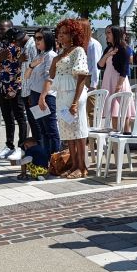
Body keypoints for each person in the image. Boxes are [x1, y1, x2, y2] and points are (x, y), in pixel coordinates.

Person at [49, 20, 91, 178]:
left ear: (73, 34)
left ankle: (82, 166)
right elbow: (52, 75)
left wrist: (75, 102)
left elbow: (81, 77)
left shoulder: (78, 50)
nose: (60, 35)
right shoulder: (61, 54)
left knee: (78, 130)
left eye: (64, 32)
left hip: (74, 93)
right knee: (67, 132)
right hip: (61, 94)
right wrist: (55, 59)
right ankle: (73, 164)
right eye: (59, 33)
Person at [0, 28, 29, 161]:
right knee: (7, 118)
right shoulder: (2, 48)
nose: (2, 32)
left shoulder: (20, 47)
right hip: (3, 86)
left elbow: (22, 70)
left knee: (20, 118)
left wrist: (15, 88)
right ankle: (9, 146)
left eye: (4, 29)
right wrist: (0, 59)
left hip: (16, 88)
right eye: (0, 29)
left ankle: (22, 147)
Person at [98, 25, 135, 131]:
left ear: (115, 34)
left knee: (123, 113)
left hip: (119, 82)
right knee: (113, 113)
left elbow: (124, 70)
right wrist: (107, 55)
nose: (107, 35)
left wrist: (118, 87)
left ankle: (126, 140)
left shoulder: (124, 49)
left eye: (109, 32)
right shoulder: (108, 49)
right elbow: (100, 65)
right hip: (108, 80)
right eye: (106, 32)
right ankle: (116, 142)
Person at [30, 31, 60, 155]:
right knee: (42, 129)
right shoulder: (39, 56)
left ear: (47, 39)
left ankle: (55, 158)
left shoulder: (51, 55)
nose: (37, 41)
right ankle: (47, 158)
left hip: (46, 96)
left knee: (51, 129)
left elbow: (49, 78)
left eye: (40, 38)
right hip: (36, 94)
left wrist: (42, 97)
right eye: (35, 38)